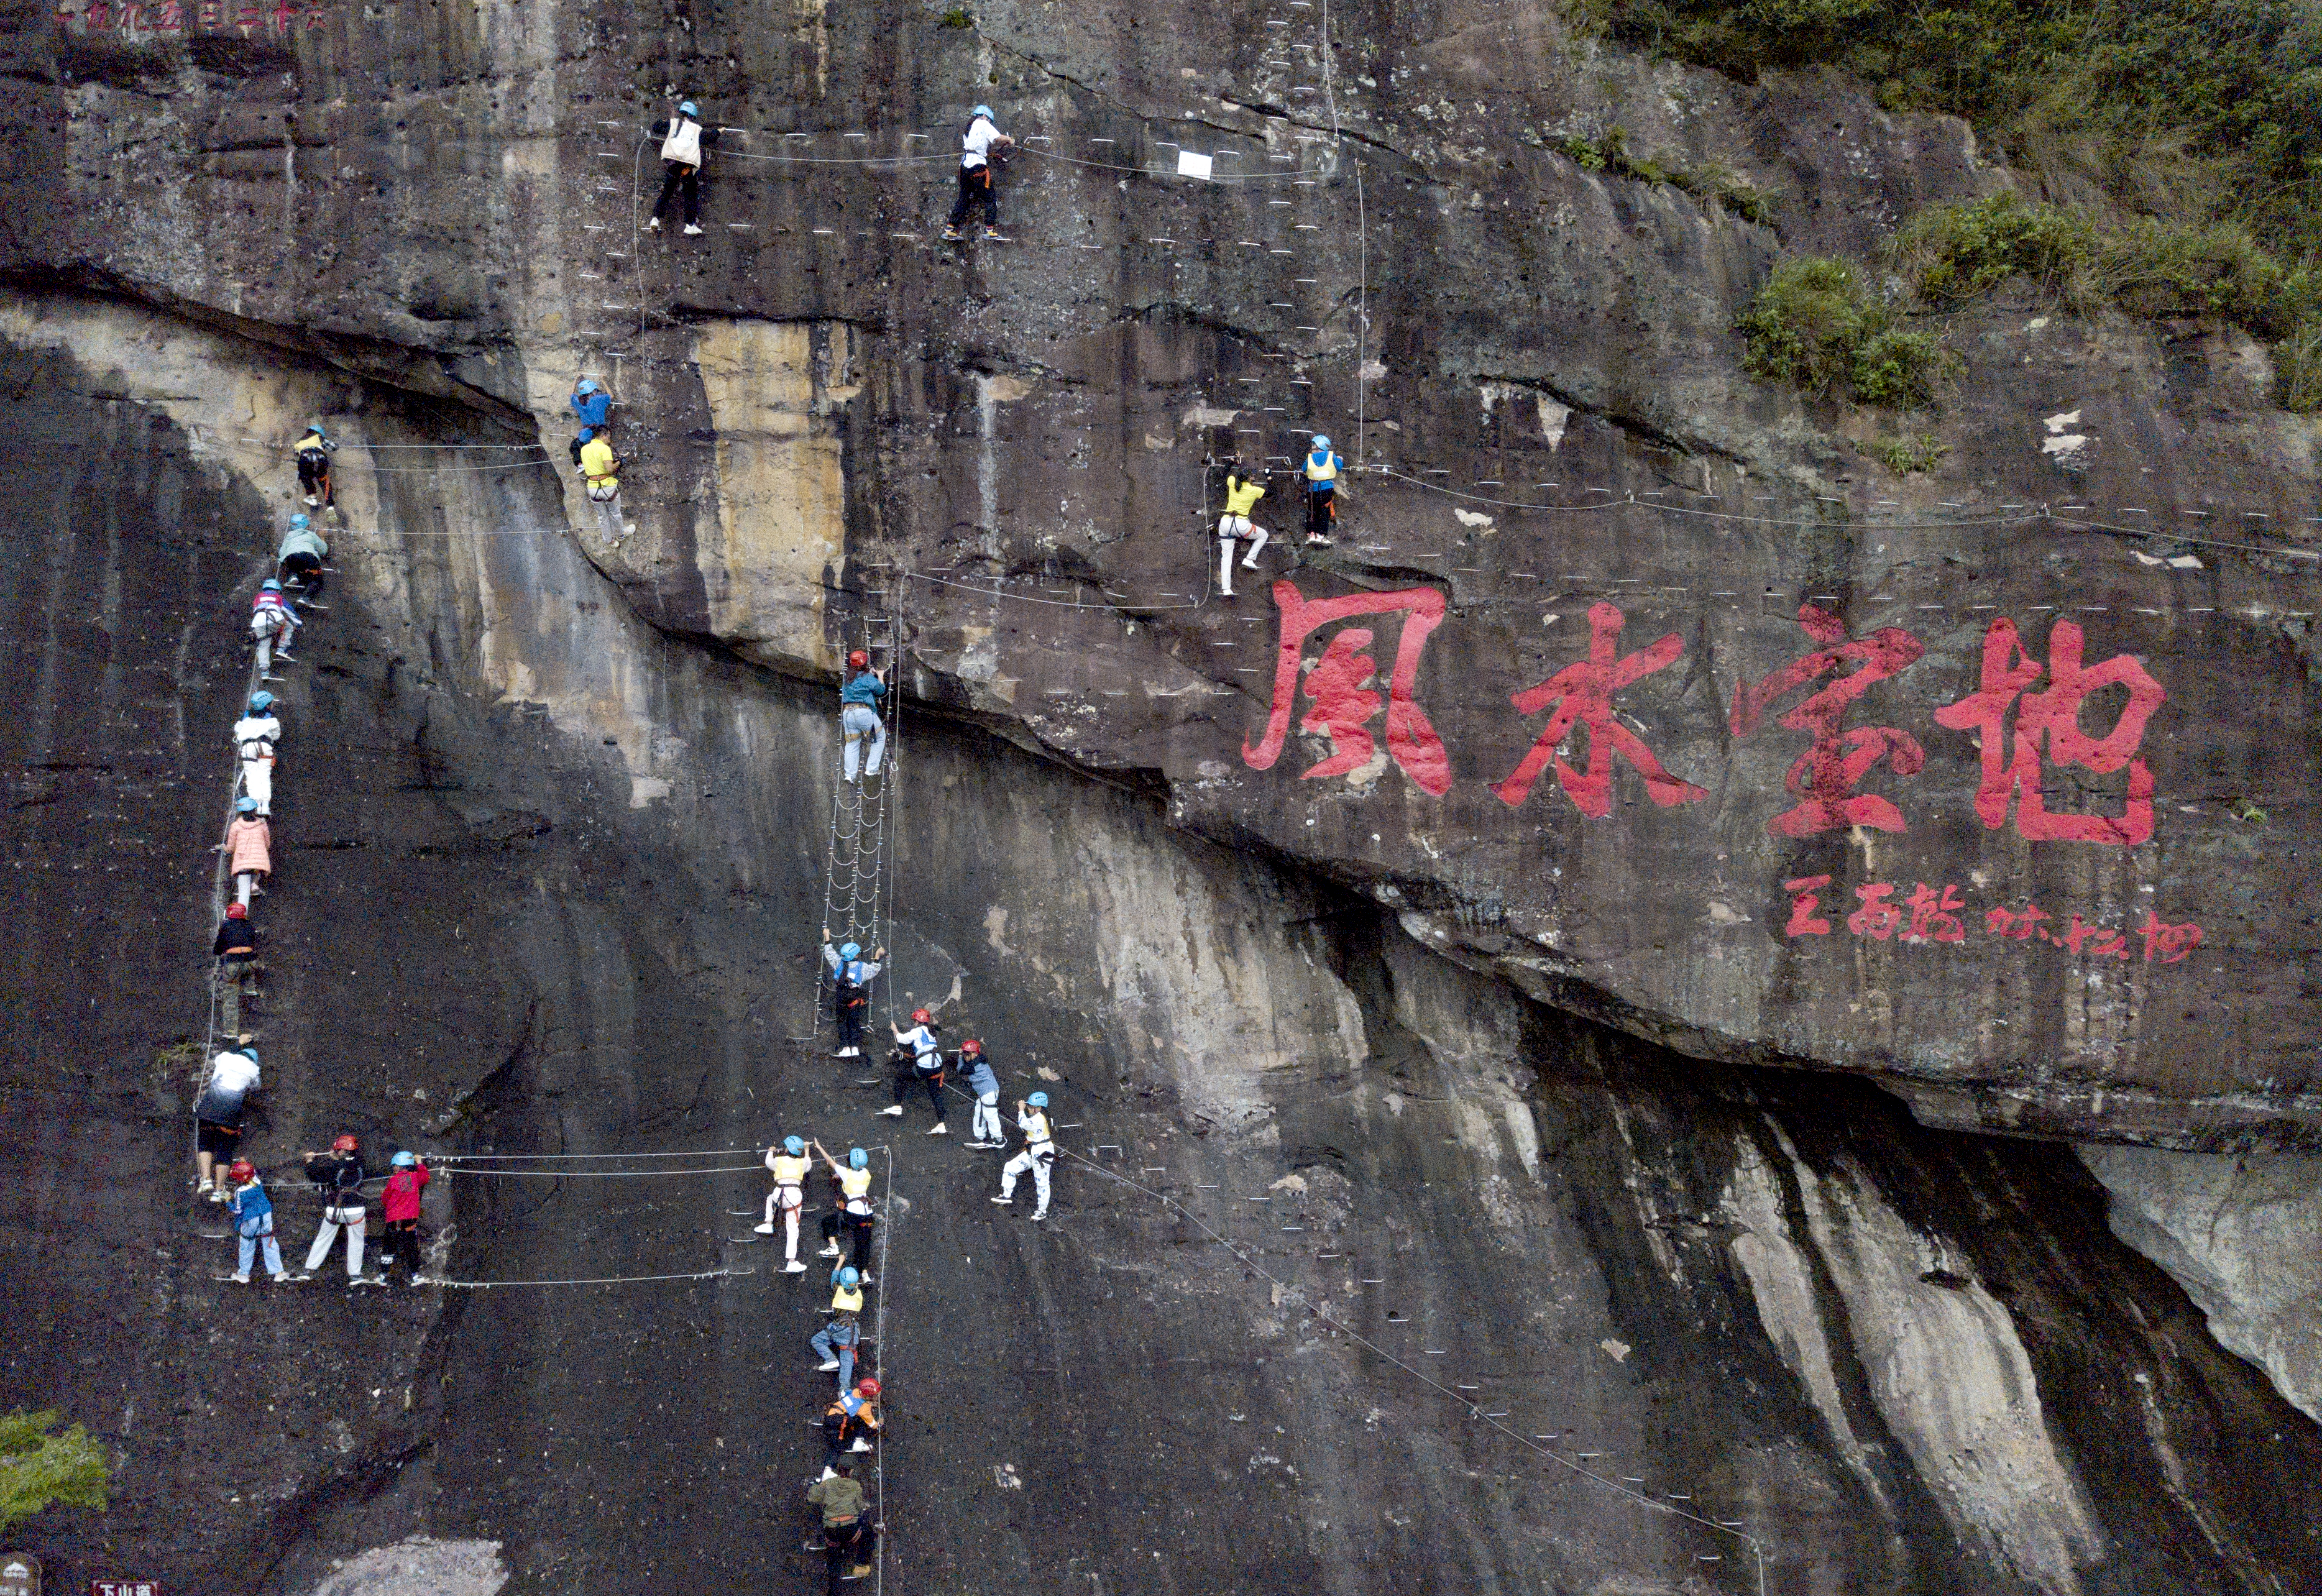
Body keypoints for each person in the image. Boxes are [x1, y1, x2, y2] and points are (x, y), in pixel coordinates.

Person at [301, 1134, 377, 1285]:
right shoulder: (363, 1164)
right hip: (355, 1210)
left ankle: (308, 1270)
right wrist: (336, 1159)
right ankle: (355, 1275)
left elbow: (316, 1175)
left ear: (342, 1150)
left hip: (335, 1209)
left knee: (323, 1238)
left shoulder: (334, 1166)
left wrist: (309, 1161)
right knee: (356, 1241)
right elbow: (349, 1167)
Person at [193, 1040, 261, 1201]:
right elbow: (255, 1087)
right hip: (230, 1114)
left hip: (208, 1108)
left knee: (205, 1143)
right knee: (224, 1151)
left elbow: (226, 1057)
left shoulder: (225, 1057)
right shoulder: (254, 1069)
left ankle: (206, 1180)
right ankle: (219, 1191)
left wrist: (238, 1044)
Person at [942, 104, 1014, 242]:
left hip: (965, 165)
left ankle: (950, 229)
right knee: (990, 197)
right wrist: (1009, 140)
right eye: (989, 120)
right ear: (985, 116)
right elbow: (997, 137)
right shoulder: (982, 123)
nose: (989, 123)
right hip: (977, 166)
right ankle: (990, 231)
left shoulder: (969, 126)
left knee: (964, 197)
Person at [647, 101, 720, 236]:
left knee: (667, 192)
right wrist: (719, 131)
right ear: (693, 115)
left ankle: (655, 219)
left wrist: (665, 120)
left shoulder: (673, 123)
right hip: (687, 166)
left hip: (673, 164)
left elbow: (657, 127)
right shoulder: (697, 129)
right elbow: (708, 137)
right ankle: (690, 225)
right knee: (690, 194)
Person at [805, 1461, 876, 1592]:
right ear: (851, 1472)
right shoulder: (855, 1486)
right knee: (869, 1531)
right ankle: (861, 1566)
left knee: (833, 1559)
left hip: (831, 1533)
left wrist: (819, 1484)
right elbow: (861, 1507)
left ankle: (834, 1589)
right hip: (851, 1532)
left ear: (838, 1470)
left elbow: (812, 1497)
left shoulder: (827, 1484)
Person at [812, 1142, 876, 1280]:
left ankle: (834, 1246)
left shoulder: (846, 1173)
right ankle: (865, 1274)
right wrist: (841, 1177)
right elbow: (855, 1180)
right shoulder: (867, 1174)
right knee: (864, 1244)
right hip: (867, 1215)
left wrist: (820, 1147)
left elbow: (830, 1161)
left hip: (853, 1215)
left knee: (828, 1221)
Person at [226, 1158, 296, 1283]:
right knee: (269, 1241)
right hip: (265, 1216)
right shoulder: (257, 1182)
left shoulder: (240, 1192)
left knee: (247, 1244)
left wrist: (226, 1200)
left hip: (250, 1220)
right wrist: (245, 1163)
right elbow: (253, 1174)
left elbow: (237, 1210)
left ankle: (243, 1274)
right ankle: (278, 1272)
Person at [991, 1090, 1057, 1221]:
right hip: (1033, 1150)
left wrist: (1021, 1110)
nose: (1029, 1109)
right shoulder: (1041, 1116)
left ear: (1040, 1108)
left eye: (1032, 1107)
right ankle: (1006, 1196)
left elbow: (1024, 1124)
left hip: (1043, 1153)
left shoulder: (1040, 1118)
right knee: (1010, 1167)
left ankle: (1042, 1211)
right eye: (1029, 1106)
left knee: (1042, 1182)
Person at [879, 1009, 946, 1133]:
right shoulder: (931, 1032)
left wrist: (895, 1030)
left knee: (901, 1076)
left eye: (914, 1021)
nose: (914, 1023)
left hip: (925, 1067)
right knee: (935, 1094)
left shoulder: (918, 1030)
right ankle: (941, 1124)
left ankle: (898, 1106)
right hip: (937, 1066)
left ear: (917, 1021)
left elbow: (903, 1039)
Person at [755, 1134, 812, 1273]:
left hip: (779, 1193)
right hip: (794, 1197)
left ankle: (769, 1223)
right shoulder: (802, 1163)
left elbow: (769, 1163)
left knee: (770, 1199)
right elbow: (808, 1163)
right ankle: (791, 1262)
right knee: (793, 1231)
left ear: (787, 1149)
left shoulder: (779, 1161)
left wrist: (771, 1151)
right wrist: (807, 1148)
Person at [820, 933, 884, 1058]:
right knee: (854, 1022)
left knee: (842, 1021)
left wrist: (827, 937)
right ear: (856, 955)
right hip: (854, 998)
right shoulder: (862, 967)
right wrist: (877, 956)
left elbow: (829, 953)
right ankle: (855, 1048)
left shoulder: (839, 963)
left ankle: (845, 1048)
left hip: (841, 997)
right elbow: (874, 970)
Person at [1216, 463, 1269, 597]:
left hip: (1225, 523)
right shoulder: (1254, 490)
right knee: (1263, 535)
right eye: (1253, 477)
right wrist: (1269, 477)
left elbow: (1225, 473)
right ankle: (1249, 559)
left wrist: (1233, 461)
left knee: (1226, 558)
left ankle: (1226, 589)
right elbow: (1271, 493)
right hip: (1241, 525)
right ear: (1250, 478)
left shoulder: (1233, 482)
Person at [812, 1265, 866, 1392]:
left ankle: (831, 1360)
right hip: (852, 1332)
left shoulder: (839, 1290)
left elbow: (834, 1278)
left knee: (816, 1341)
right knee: (847, 1362)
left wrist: (840, 1262)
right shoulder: (859, 1294)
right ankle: (844, 1390)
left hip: (838, 1327)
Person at [212, 902, 264, 1034]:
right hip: (250, 964)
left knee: (230, 999)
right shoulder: (250, 926)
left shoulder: (226, 927)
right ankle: (250, 988)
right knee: (247, 969)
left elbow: (218, 949)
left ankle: (231, 1031)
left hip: (233, 966)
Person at [380, 1150, 431, 1285]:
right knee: (411, 1248)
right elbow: (426, 1177)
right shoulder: (415, 1178)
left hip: (393, 1222)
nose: (393, 1168)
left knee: (388, 1248)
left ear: (400, 1166)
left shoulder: (393, 1180)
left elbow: (384, 1199)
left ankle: (382, 1276)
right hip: (409, 1222)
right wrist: (420, 1163)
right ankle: (415, 1276)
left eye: (395, 1166)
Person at [837, 651, 887, 784]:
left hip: (848, 713)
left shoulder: (847, 677)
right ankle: (871, 769)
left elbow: (858, 683)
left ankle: (849, 775)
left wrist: (869, 676)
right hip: (863, 712)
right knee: (880, 737)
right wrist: (880, 677)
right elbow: (881, 691)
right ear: (865, 663)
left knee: (852, 743)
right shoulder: (867, 677)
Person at [234, 690, 281, 819]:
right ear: (267, 705)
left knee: (252, 777)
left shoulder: (246, 715)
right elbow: (276, 736)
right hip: (265, 746)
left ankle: (256, 807)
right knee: (264, 776)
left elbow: (238, 730)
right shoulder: (271, 717)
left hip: (248, 747)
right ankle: (265, 807)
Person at [819, 1378, 881, 1476]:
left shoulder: (855, 1392)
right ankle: (858, 1442)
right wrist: (879, 1423)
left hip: (833, 1413)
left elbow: (844, 1394)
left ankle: (829, 1469)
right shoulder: (865, 1407)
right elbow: (873, 1425)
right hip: (837, 1422)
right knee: (837, 1446)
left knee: (836, 1443)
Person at [217, 796, 272, 907]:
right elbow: (267, 844)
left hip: (242, 863)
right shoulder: (262, 824)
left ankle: (241, 917)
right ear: (254, 811)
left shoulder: (236, 826)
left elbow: (231, 848)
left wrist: (224, 848)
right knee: (256, 868)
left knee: (243, 895)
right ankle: (255, 885)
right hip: (259, 861)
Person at [577, 431, 625, 541]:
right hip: (607, 487)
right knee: (615, 513)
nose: (609, 440)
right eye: (609, 437)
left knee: (602, 517)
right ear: (603, 435)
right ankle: (621, 535)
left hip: (593, 488)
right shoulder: (604, 449)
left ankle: (609, 540)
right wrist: (619, 462)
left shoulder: (584, 449)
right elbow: (610, 469)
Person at [957, 1039, 1004, 1149]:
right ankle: (980, 1137)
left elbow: (961, 1069)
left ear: (975, 1054)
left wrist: (959, 1056)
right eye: (965, 1055)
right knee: (979, 1113)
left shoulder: (973, 1065)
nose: (965, 1057)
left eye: (968, 1054)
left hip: (988, 1093)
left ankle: (998, 1140)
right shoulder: (980, 1059)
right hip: (985, 1093)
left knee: (990, 1116)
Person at [1301, 434, 1346, 546]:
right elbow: (1339, 467)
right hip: (1327, 488)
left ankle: (1311, 534)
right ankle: (1321, 535)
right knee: (1324, 511)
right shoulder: (1332, 456)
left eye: (1314, 445)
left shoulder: (1310, 458)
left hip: (1312, 489)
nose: (1312, 447)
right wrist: (1340, 460)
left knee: (1312, 511)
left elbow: (1304, 469)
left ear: (1318, 445)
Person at [249, 580, 300, 678]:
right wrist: (298, 623)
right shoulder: (278, 597)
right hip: (274, 617)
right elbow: (288, 610)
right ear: (277, 590)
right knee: (288, 627)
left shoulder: (258, 597)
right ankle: (281, 649)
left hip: (259, 621)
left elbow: (255, 609)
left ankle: (264, 672)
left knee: (264, 644)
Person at [277, 515, 329, 608]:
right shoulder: (311, 535)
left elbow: (282, 553)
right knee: (316, 579)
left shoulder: (289, 536)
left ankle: (293, 576)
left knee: (292, 566)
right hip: (310, 558)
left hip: (292, 557)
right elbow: (323, 551)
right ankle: (306, 598)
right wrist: (323, 538)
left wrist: (283, 561)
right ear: (307, 526)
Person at [569, 377, 613, 468]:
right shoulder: (598, 399)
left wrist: (576, 379)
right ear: (592, 391)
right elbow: (611, 396)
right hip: (599, 432)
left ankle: (580, 464)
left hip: (585, 434)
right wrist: (603, 381)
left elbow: (571, 394)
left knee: (575, 445)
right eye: (595, 390)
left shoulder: (578, 401)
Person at [294, 424, 337, 509]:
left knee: (306, 478)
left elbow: (295, 453)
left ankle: (313, 498)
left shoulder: (299, 442)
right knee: (323, 480)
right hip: (320, 460)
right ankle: (330, 505)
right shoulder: (319, 437)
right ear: (319, 433)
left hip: (305, 460)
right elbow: (334, 447)